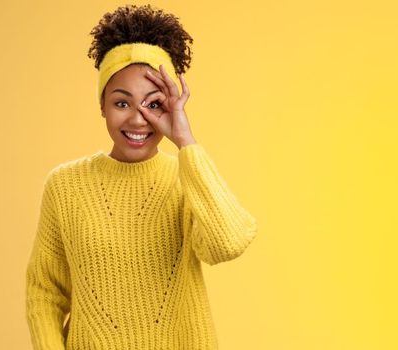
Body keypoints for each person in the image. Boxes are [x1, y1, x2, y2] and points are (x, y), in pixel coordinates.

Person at [25, 4, 258, 349]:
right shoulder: (64, 186)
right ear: (102, 104)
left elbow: (228, 243)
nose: (137, 120)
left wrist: (185, 141)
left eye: (154, 105)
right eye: (122, 103)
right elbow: (45, 292)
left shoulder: (188, 177)